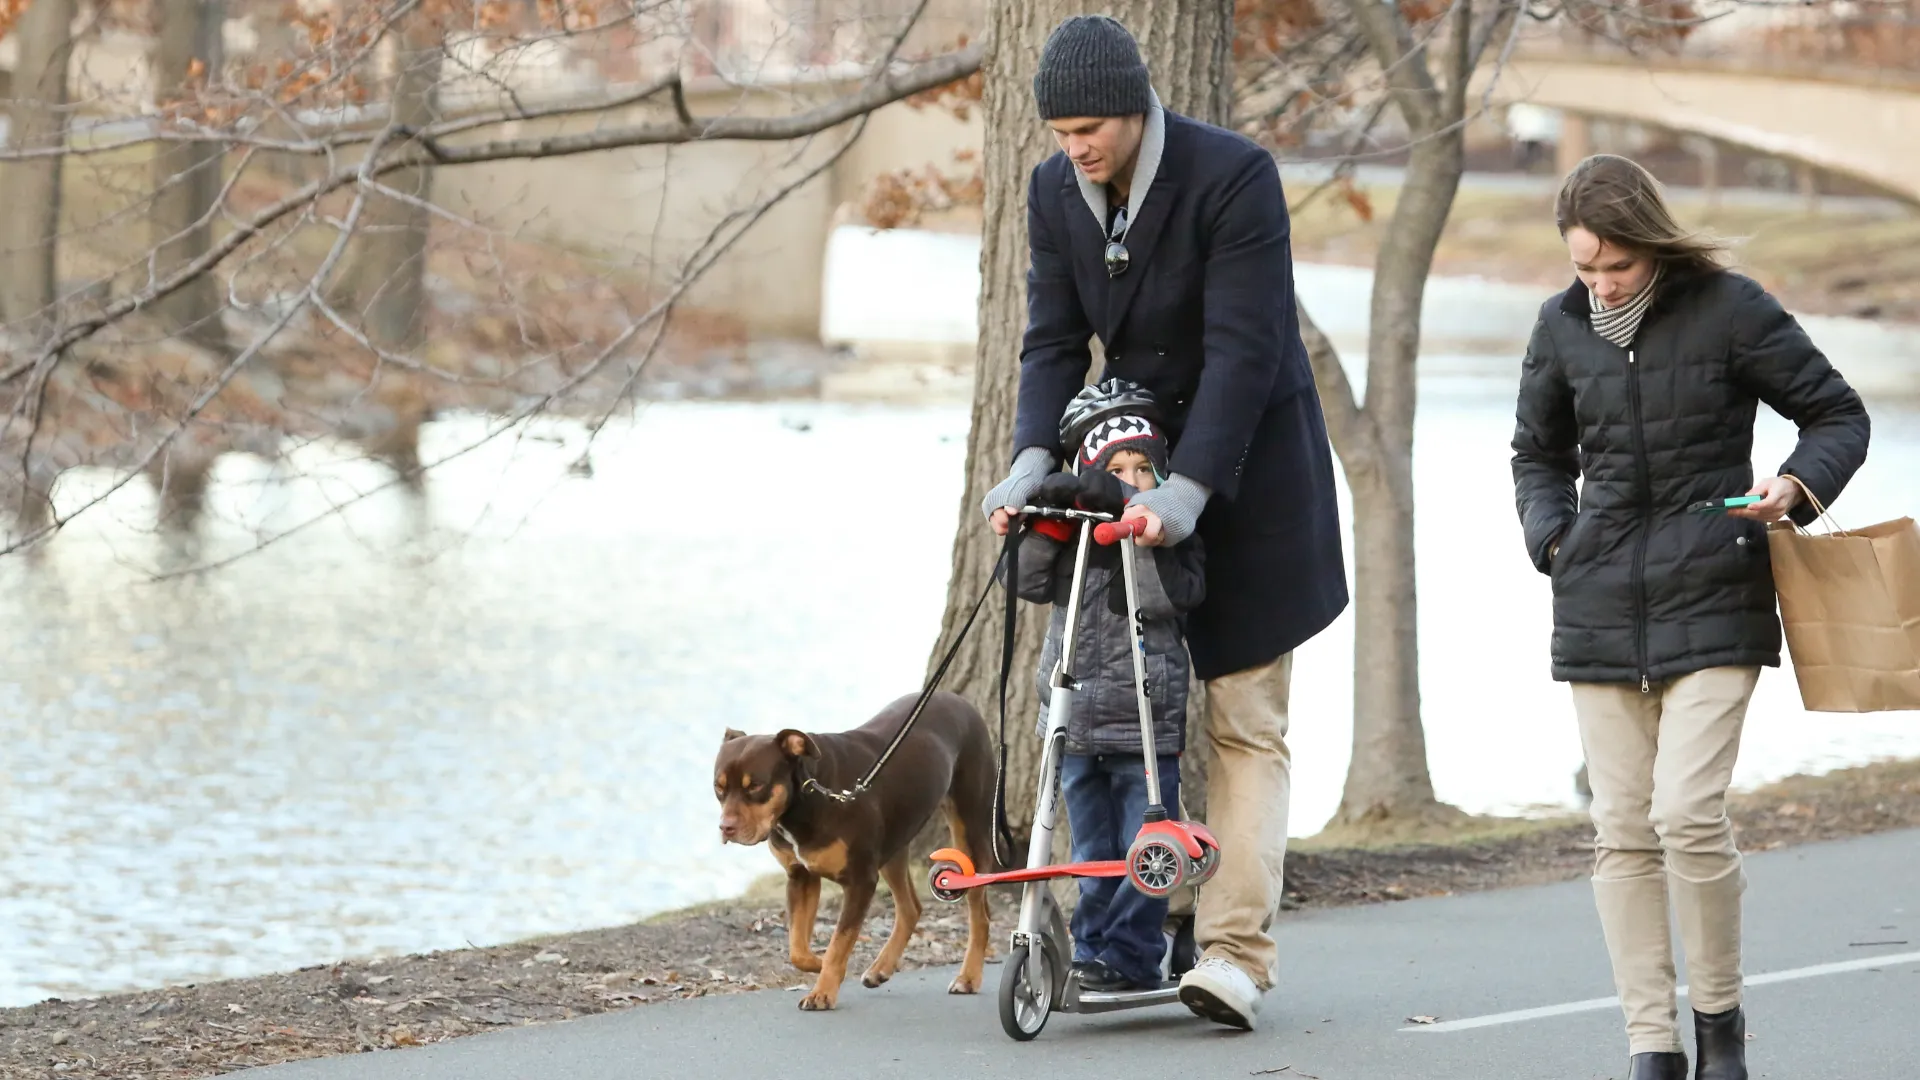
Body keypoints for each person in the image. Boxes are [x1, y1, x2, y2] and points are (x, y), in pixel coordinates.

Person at [980, 14, 1348, 1030]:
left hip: (1251, 479)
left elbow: (1244, 350)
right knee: (1122, 715)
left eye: (1090, 129)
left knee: (1244, 723)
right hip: (1132, 479)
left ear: (1135, 108)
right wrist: (1030, 462)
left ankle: (1234, 956)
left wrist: (1188, 493)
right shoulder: (1053, 190)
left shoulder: (1234, 177)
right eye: (1061, 134)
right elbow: (1052, 340)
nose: (1075, 149)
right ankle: (1142, 930)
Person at [1511, 154, 1869, 1080]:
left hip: (1715, 590)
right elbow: (1537, 455)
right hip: (1596, 603)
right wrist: (1554, 539)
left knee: (1685, 813)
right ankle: (1652, 1048)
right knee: (1622, 829)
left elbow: (1838, 415)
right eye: (1585, 267)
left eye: (1617, 266)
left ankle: (1719, 1030)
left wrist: (1794, 486)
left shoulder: (1730, 308)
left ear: (1653, 245)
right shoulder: (1559, 326)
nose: (1601, 285)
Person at [1010, 382, 1205, 992]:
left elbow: (1168, 598)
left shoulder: (1172, 538)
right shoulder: (1076, 535)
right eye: (1115, 471)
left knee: (1145, 851)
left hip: (1143, 723)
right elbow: (1024, 582)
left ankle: (1132, 954)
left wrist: (1133, 523)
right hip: (1073, 722)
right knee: (1092, 850)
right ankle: (1093, 951)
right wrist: (1048, 523)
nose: (1131, 481)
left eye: (1143, 470)